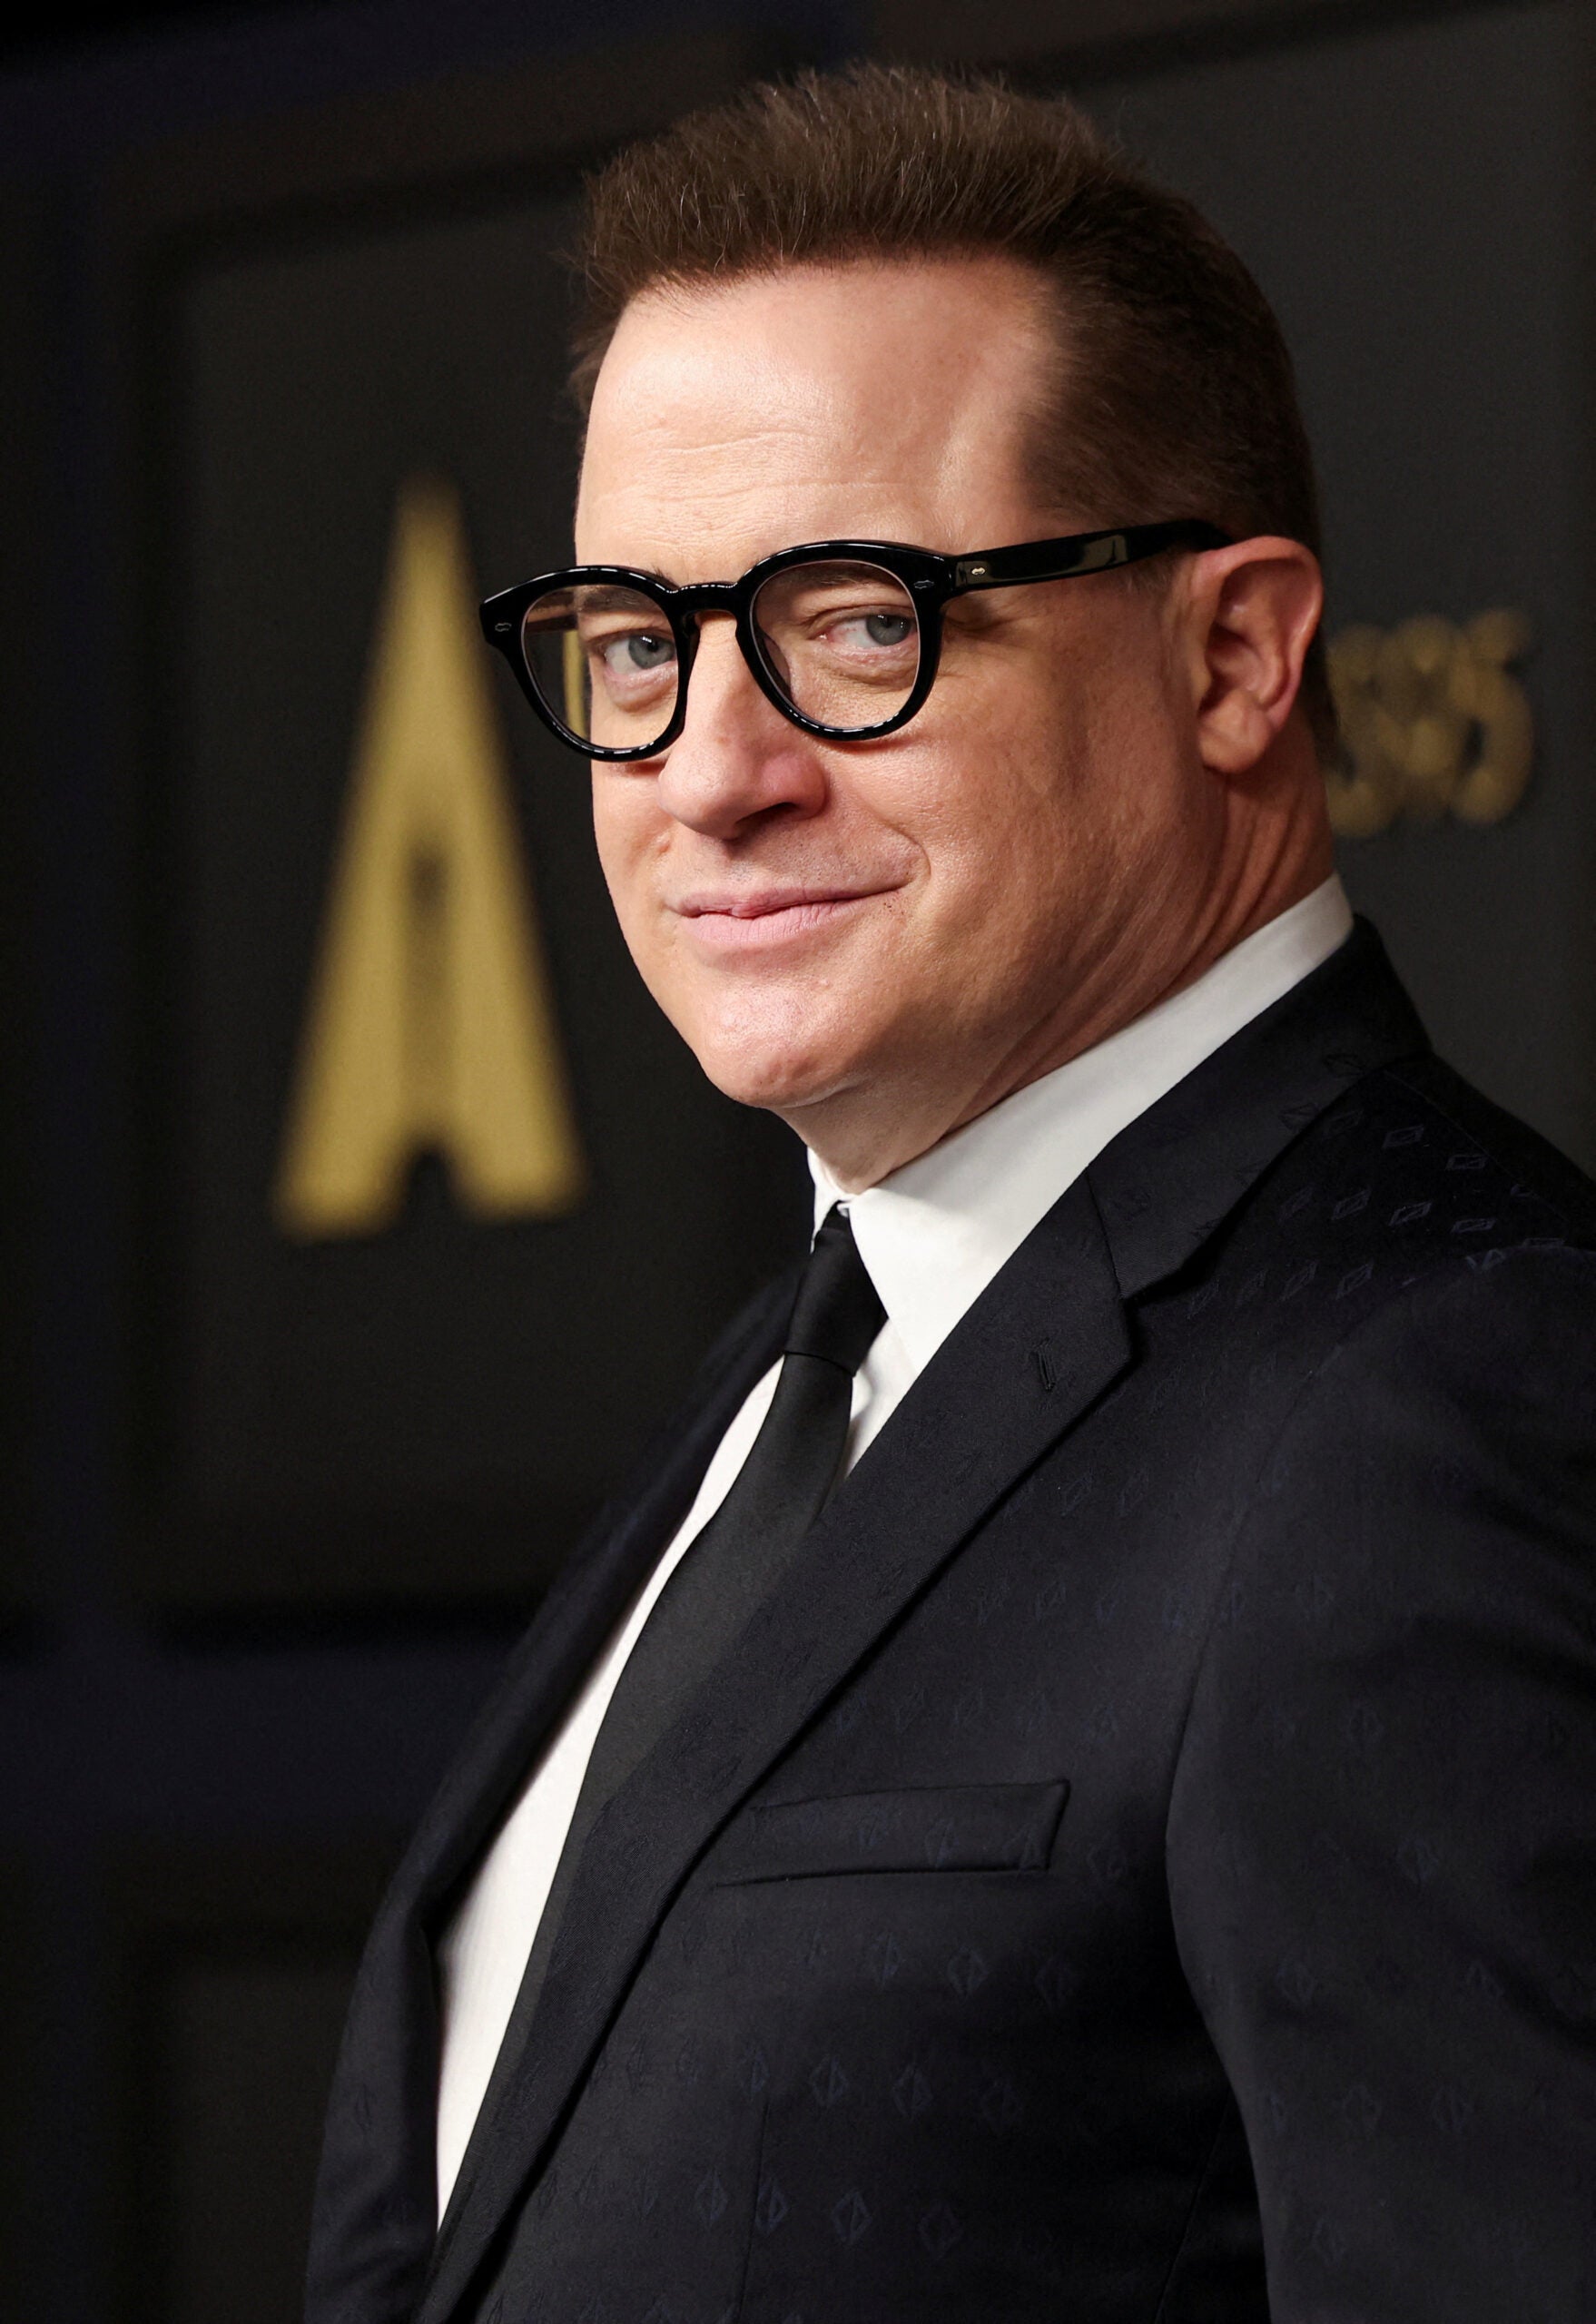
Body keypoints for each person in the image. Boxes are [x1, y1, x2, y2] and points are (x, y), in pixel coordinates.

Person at [307, 66, 1596, 2324]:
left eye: (857, 617)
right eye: (640, 643)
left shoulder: (1445, 1392)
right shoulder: (813, 1367)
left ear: (1235, 655)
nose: (713, 771)